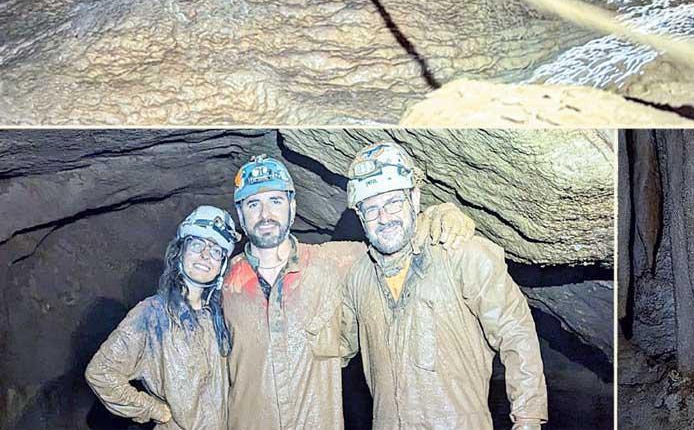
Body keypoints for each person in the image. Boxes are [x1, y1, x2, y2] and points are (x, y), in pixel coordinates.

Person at [220, 154, 475, 430]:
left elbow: (393, 239)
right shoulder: (222, 285)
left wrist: (437, 216)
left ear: (292, 207)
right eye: (253, 204)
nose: (265, 214)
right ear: (240, 215)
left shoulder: (335, 262)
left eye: (276, 201)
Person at [339, 142, 548, 429]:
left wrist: (528, 420)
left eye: (392, 202)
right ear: (360, 216)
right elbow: (333, 348)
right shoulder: (359, 277)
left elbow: (515, 332)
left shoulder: (461, 252)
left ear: (414, 197)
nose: (384, 217)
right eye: (371, 209)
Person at [86, 206, 241, 430]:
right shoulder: (152, 315)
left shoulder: (222, 315)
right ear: (181, 251)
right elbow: (101, 372)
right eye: (197, 244)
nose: (206, 256)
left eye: (216, 250)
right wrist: (154, 410)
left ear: (222, 265)